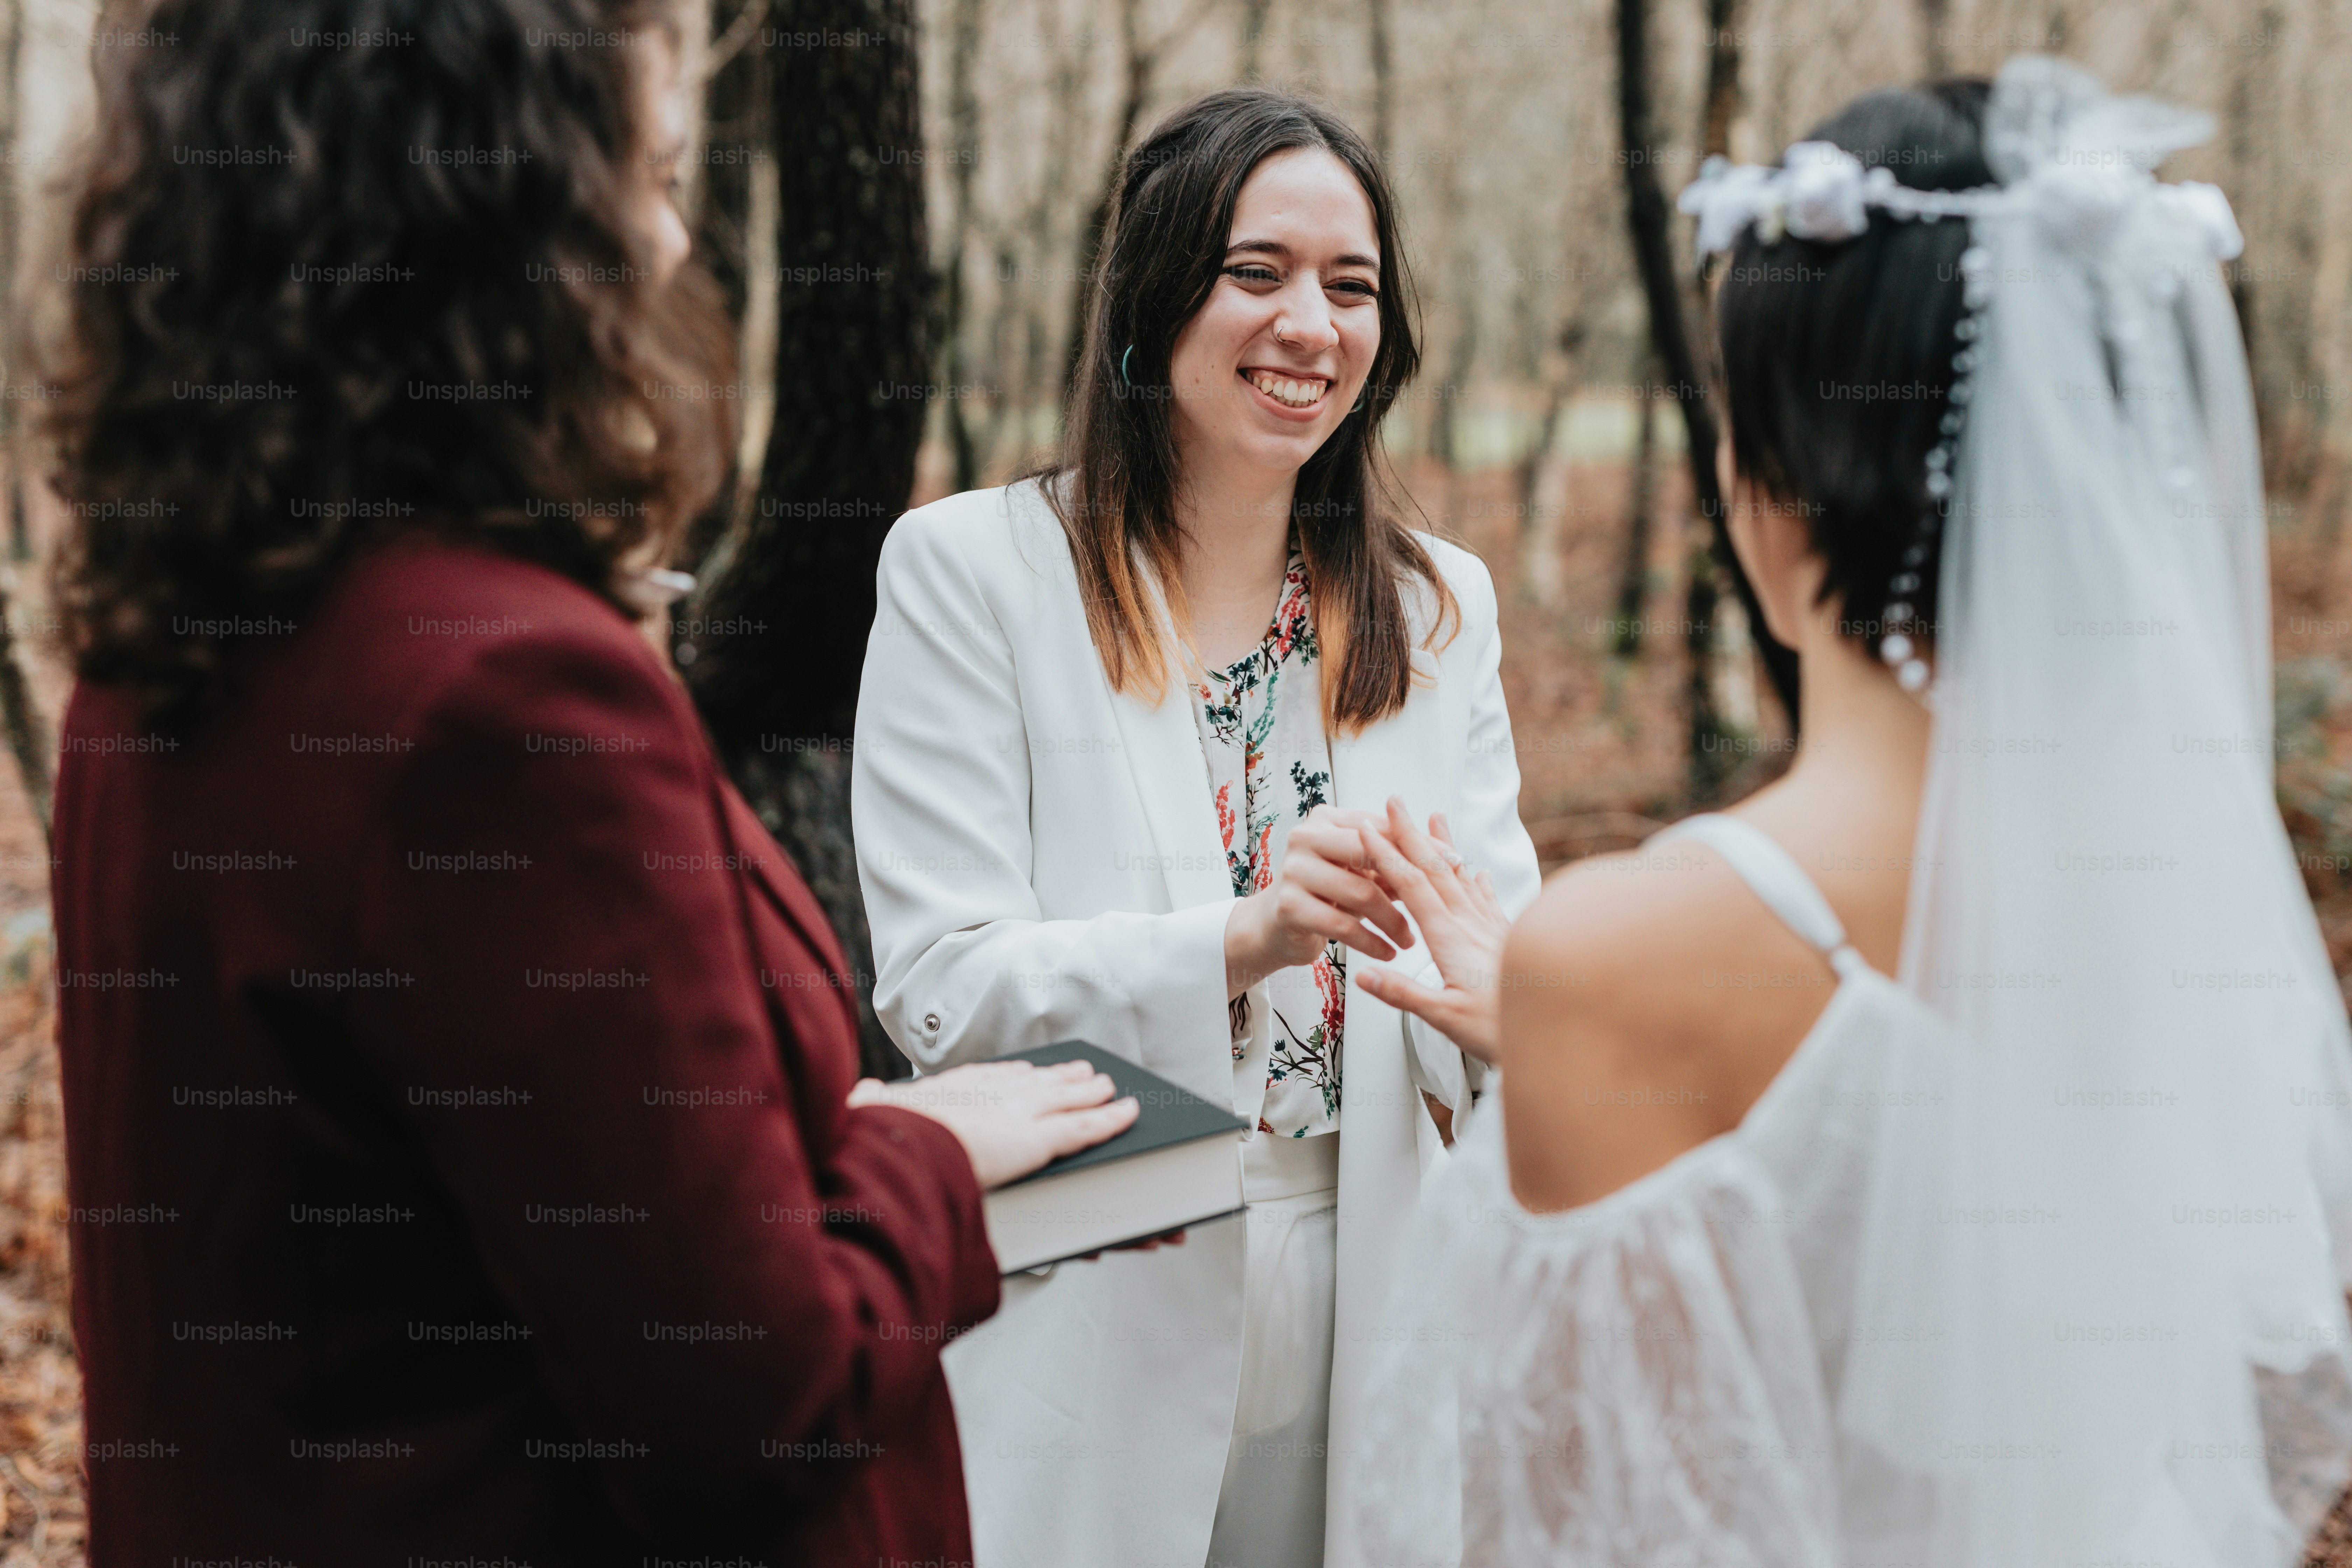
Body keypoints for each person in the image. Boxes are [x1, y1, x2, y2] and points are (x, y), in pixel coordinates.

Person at [43, 4, 1136, 1563]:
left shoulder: (170, 646)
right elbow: (749, 1401)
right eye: (658, 169)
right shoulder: (504, 700)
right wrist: (924, 1155)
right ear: (496, 217)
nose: (677, 239)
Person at [1358, 59, 2352, 1564]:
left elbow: (1574, 1520)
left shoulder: (1616, 955)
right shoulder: (2192, 900)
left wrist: (1589, 1021)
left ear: (1762, 479)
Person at [851, 88, 1540, 1568]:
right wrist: (1240, 937)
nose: (1312, 324)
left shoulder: (1438, 607)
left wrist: (1520, 1006)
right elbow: (940, 984)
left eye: (1352, 288)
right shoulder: (974, 574)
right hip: (1090, 1289)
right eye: (1258, 272)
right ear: (1153, 296)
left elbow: (1505, 965)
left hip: (1380, 1283)